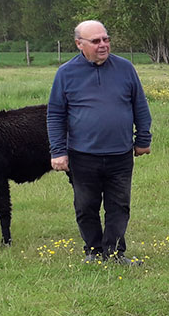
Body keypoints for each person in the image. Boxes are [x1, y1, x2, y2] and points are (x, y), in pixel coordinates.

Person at [48, 20, 152, 264]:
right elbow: (55, 114)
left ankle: (115, 253)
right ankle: (94, 252)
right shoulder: (66, 73)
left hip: (120, 154)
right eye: (96, 41)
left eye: (106, 39)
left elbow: (140, 106)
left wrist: (143, 139)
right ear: (79, 44)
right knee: (86, 207)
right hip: (82, 155)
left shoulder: (125, 69)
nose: (103, 45)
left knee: (119, 206)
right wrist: (58, 151)